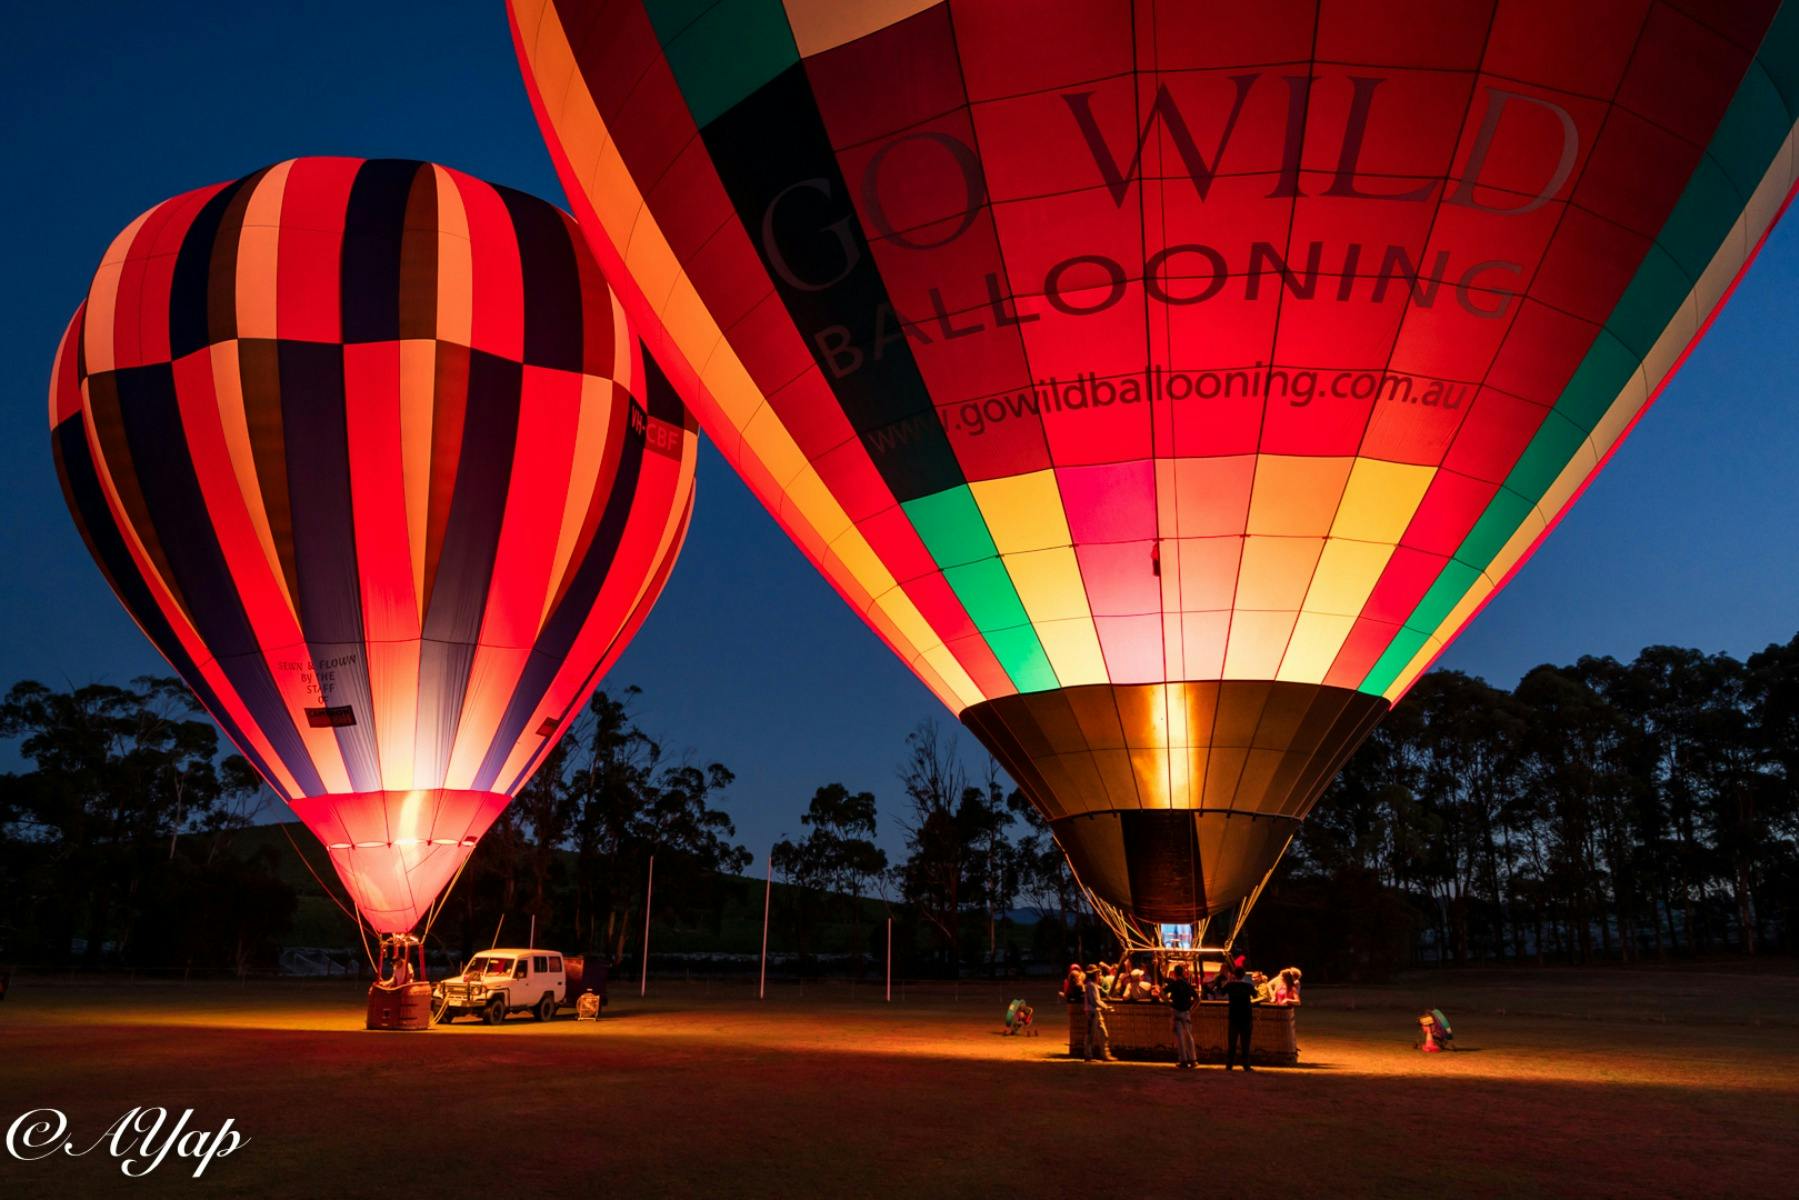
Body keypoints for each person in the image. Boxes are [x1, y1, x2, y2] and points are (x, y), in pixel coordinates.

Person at [1221, 966, 1257, 1071]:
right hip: (1246, 1016)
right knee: (1245, 1042)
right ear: (1244, 975)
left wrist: (1228, 980)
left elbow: (1222, 992)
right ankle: (1246, 1065)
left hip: (1234, 1016)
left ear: (1234, 975)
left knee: (1232, 1042)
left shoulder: (1230, 985)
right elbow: (1255, 996)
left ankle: (1229, 1064)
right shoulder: (1249, 986)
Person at [1166, 964, 1198, 1069]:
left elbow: (1161, 992)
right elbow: (1198, 999)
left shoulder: (1174, 984)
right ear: (1183, 973)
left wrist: (1167, 1002)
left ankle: (1183, 1060)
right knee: (1189, 1036)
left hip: (1177, 1012)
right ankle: (1193, 1059)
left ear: (1174, 973)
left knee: (1180, 1037)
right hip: (1187, 1012)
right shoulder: (1187, 984)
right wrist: (1191, 1010)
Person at [1082, 963, 1115, 1062]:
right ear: (1094, 975)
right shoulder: (1091, 986)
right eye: (1097, 974)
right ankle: (1090, 1055)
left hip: (1093, 1011)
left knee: (1101, 1033)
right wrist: (1106, 1007)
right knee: (1092, 1034)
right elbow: (1096, 1001)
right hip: (1093, 1012)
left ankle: (1102, 1054)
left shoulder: (1091, 985)